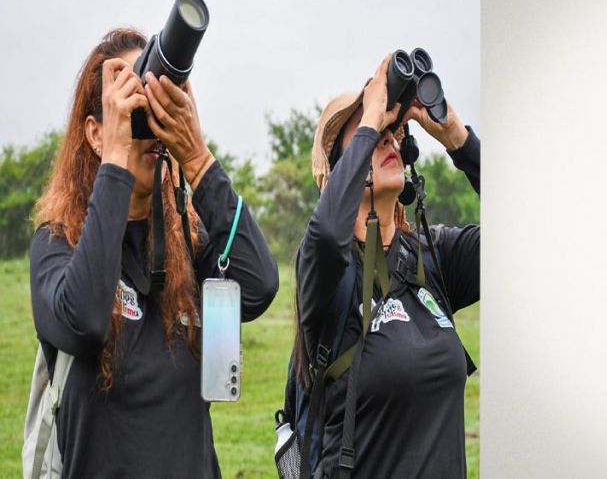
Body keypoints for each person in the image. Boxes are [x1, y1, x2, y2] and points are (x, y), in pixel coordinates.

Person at [30, 28, 279, 477]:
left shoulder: (187, 239)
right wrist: (117, 158)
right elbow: (84, 322)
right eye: (132, 107)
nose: (149, 121)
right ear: (94, 132)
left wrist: (197, 157)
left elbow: (260, 286)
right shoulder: (56, 244)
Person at [294, 54, 480, 478]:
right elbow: (325, 234)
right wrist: (372, 113)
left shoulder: (434, 257)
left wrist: (456, 138)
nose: (387, 140)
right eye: (369, 134)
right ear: (339, 171)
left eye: (393, 134)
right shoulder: (327, 272)